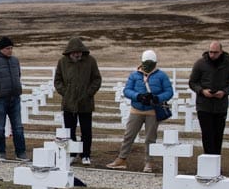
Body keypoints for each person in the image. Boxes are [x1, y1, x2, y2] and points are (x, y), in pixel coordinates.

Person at [106, 50, 174, 171]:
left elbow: (169, 92)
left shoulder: (161, 76)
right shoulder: (134, 75)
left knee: (150, 138)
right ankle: (122, 159)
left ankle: (149, 162)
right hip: (136, 110)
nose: (148, 65)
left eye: (150, 63)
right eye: (146, 62)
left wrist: (157, 98)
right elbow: (127, 90)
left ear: (155, 63)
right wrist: (138, 96)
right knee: (129, 135)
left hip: (152, 111)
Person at [53, 37, 102, 165]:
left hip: (85, 103)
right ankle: (72, 154)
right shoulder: (62, 62)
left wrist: (89, 93)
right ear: (69, 52)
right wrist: (65, 92)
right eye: (74, 52)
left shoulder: (90, 61)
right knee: (70, 131)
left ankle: (85, 155)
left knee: (86, 131)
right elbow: (57, 80)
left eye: (79, 52)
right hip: (69, 103)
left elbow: (96, 79)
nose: (77, 54)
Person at [188, 40, 229, 155]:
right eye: (210, 52)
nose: (212, 55)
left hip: (220, 106)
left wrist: (224, 92)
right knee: (207, 135)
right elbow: (192, 82)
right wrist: (202, 91)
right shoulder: (200, 63)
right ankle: (208, 162)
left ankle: (216, 163)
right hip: (204, 105)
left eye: (215, 52)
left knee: (218, 136)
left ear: (221, 51)